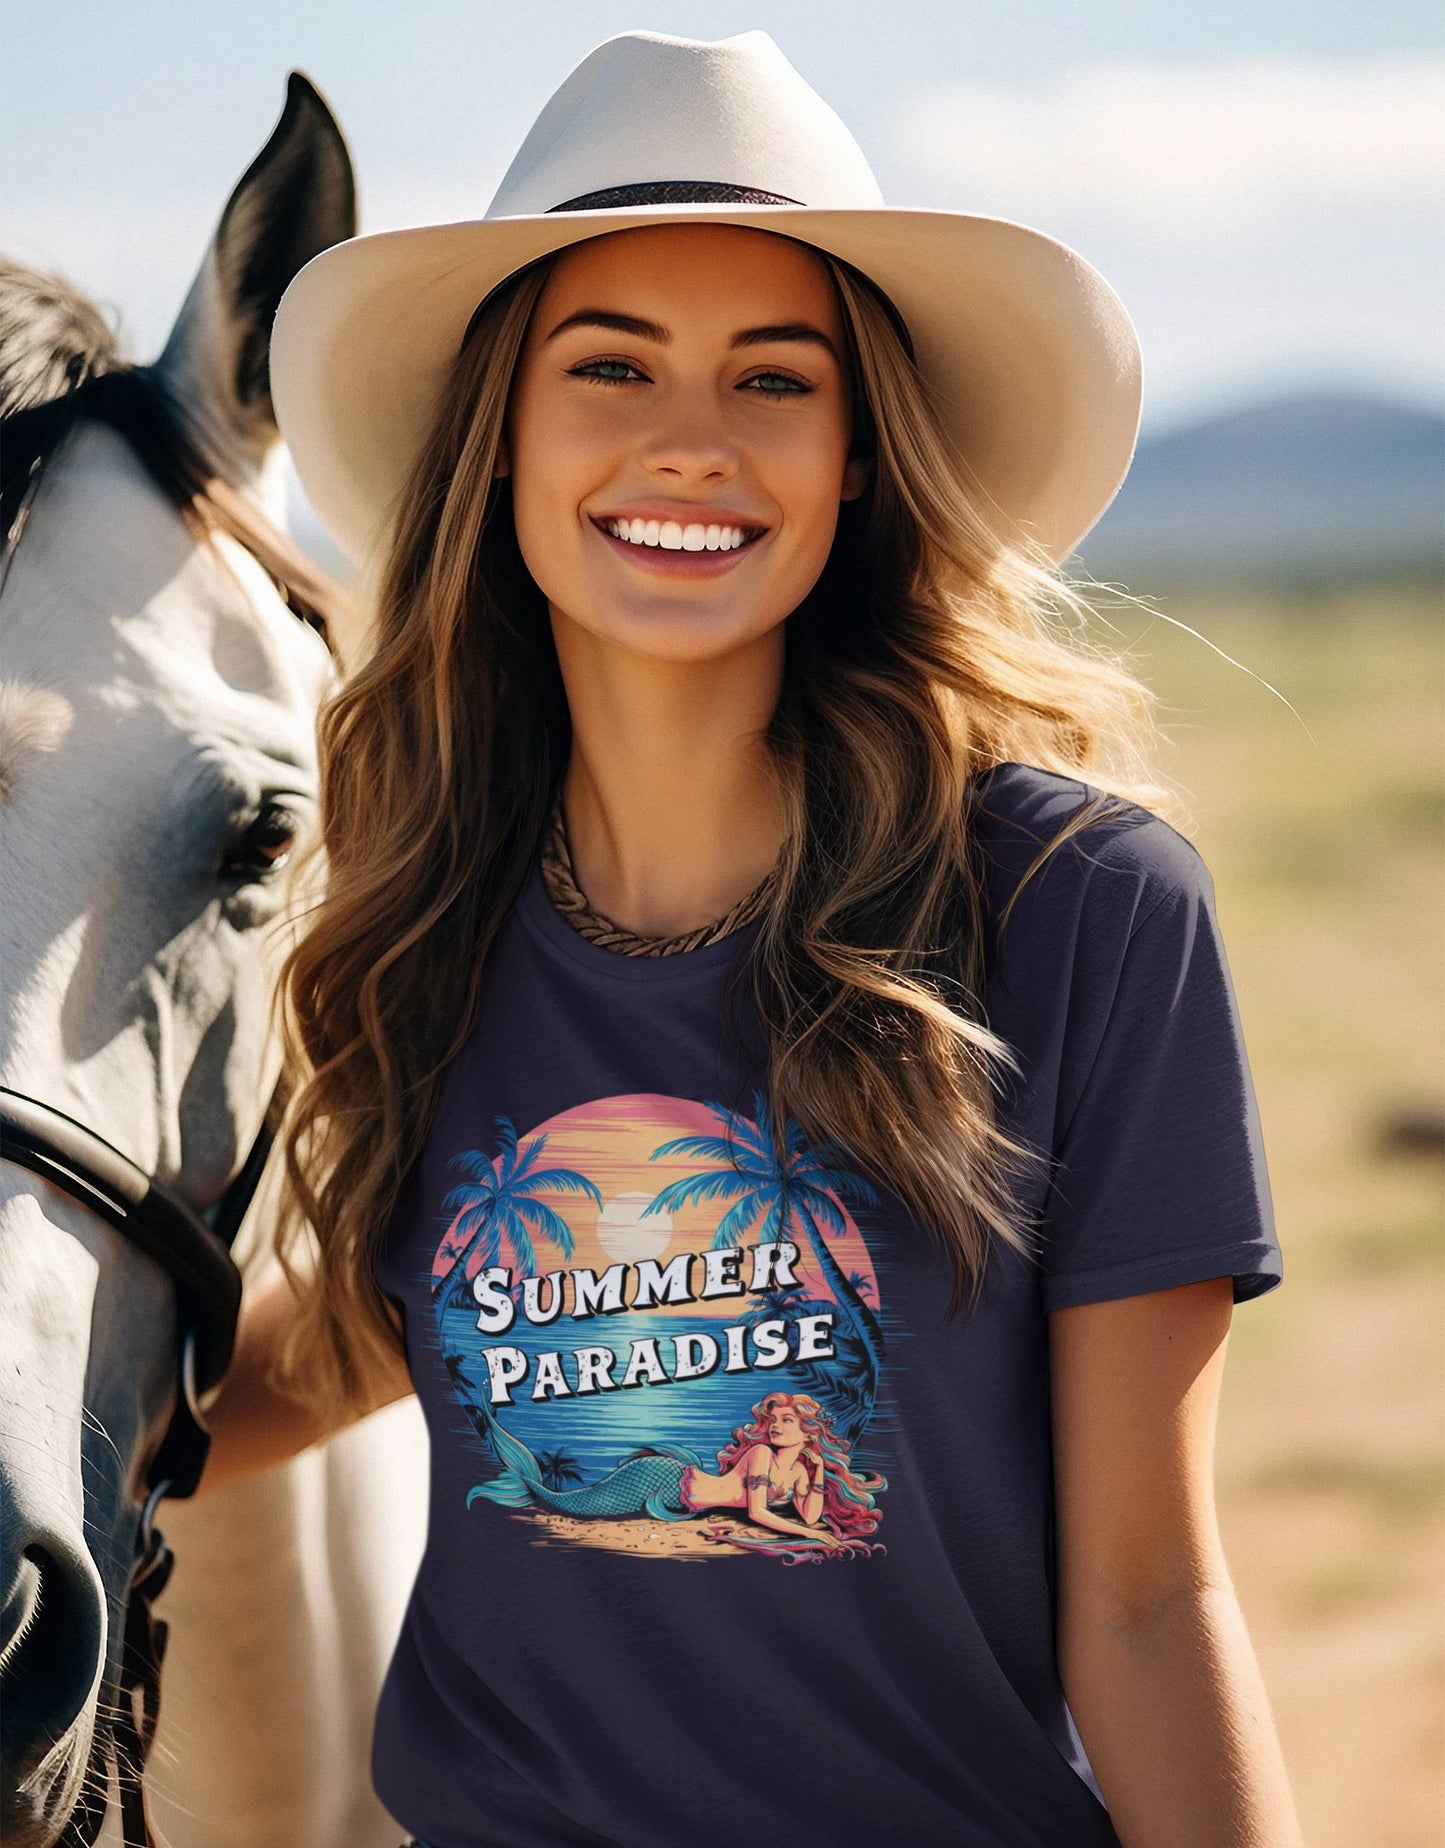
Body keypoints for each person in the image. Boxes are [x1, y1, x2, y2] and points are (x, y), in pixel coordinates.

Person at [196, 28, 1304, 1848]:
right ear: (505, 432)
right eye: (609, 365)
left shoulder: (1077, 910)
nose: (689, 442)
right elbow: (370, 1343)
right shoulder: (426, 913)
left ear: (861, 454)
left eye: (772, 380)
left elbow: (1145, 1599)